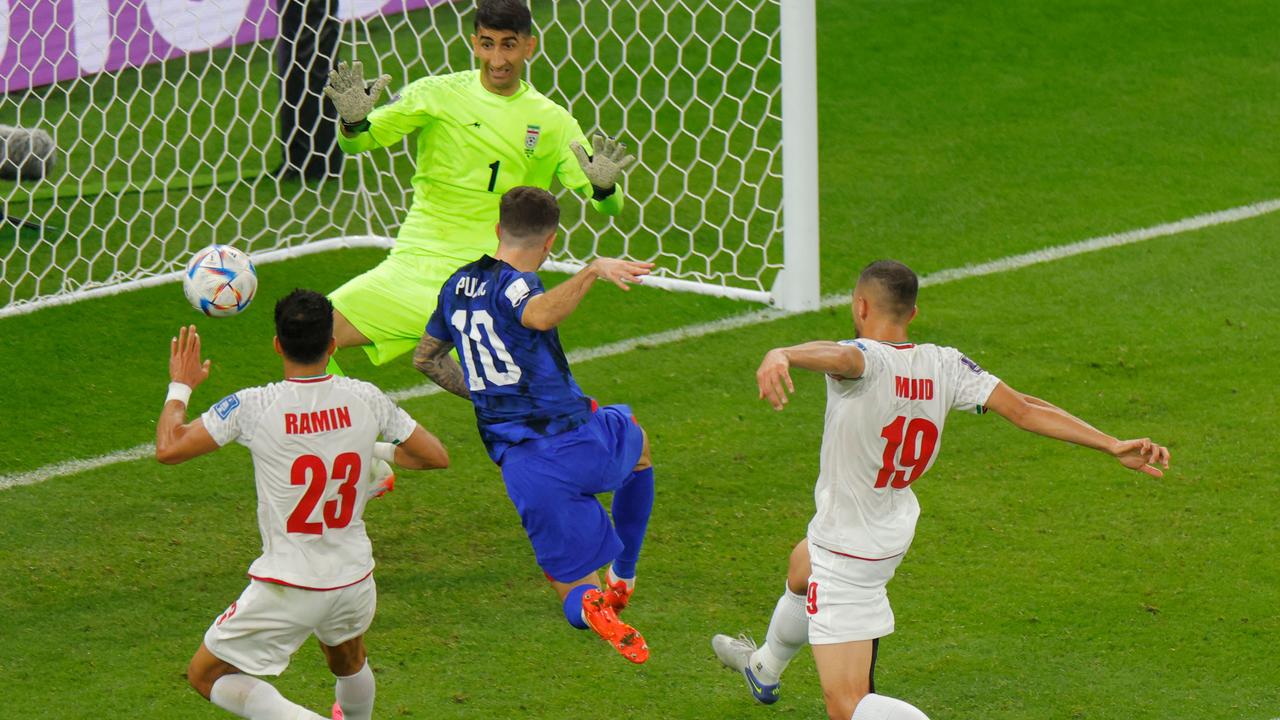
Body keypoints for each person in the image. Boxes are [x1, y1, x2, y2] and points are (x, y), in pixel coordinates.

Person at [711, 260, 1171, 720]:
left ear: (861, 305)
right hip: (886, 528)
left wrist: (782, 353)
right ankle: (764, 667)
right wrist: (1110, 443)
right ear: (912, 313)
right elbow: (1026, 409)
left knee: (847, 706)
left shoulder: (864, 360)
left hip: (848, 552)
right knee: (800, 563)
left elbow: (841, 356)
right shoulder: (945, 363)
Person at [154, 290, 450, 720]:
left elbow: (169, 447)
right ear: (331, 345)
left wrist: (180, 385)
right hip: (353, 578)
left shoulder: (253, 406)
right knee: (347, 660)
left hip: (289, 583)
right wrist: (376, 451)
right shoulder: (366, 397)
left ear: (277, 344)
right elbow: (434, 456)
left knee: (205, 676)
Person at [321, 0, 634, 375]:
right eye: (488, 44)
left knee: (518, 396)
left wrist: (604, 187)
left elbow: (608, 207)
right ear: (474, 43)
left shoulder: (553, 121)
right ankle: (347, 430)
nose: (497, 59)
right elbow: (359, 143)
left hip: (487, 281)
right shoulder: (436, 94)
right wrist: (354, 122)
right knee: (307, 336)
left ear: (529, 46)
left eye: (508, 44)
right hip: (411, 266)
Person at [411, 186, 657, 663]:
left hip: (523, 466)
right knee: (638, 443)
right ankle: (624, 575)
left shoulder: (455, 286)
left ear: (498, 229)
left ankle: (592, 607)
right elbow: (538, 315)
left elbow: (426, 358)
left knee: (572, 588)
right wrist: (591, 270)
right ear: (551, 241)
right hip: (582, 442)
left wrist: (485, 393)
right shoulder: (520, 284)